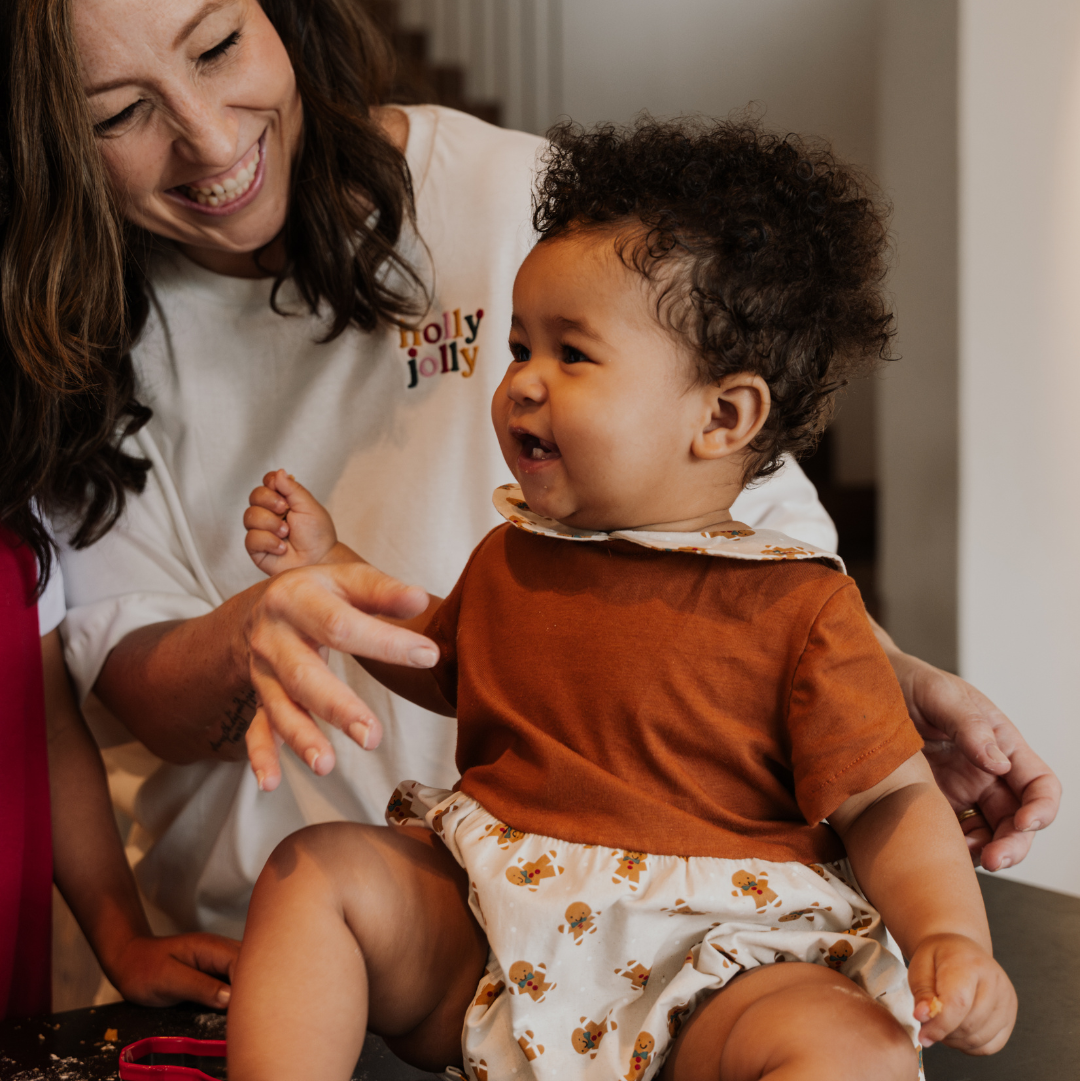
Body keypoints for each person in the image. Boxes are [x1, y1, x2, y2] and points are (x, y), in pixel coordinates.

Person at [4, 0, 1051, 941]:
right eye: (117, 112)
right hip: (285, 936)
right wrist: (248, 637)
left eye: (220, 44)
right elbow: (129, 681)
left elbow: (740, 534)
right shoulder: (71, 341)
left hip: (620, 925)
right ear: (49, 136)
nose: (211, 136)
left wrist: (886, 683)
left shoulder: (509, 196)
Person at [226, 119, 1016, 1081]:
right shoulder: (513, 557)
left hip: (715, 968)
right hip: (495, 938)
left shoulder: (801, 607)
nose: (522, 383)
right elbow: (434, 660)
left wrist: (947, 935)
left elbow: (891, 801)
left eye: (573, 355)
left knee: (853, 1046)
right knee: (316, 874)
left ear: (722, 416)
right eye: (520, 348)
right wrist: (330, 560)